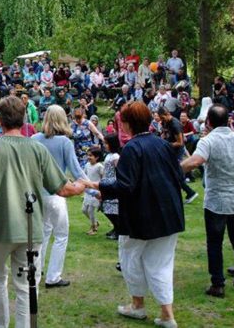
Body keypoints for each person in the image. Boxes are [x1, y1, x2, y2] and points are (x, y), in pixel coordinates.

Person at [0, 96, 85, 328]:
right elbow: (63, 189)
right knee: (25, 285)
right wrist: (83, 186)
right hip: (30, 227)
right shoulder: (37, 148)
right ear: (23, 119)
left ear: (0, 120)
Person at [85, 101, 185, 328]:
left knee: (130, 257)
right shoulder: (162, 144)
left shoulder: (132, 148)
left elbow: (125, 185)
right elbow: (178, 176)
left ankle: (137, 304)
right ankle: (167, 314)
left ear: (127, 123)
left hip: (142, 216)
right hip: (169, 213)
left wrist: (98, 186)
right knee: (161, 263)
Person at [181, 104, 234, 297]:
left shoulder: (208, 141)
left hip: (217, 200)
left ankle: (217, 284)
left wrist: (171, 169)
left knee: (215, 242)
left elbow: (195, 161)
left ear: (208, 122)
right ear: (229, 120)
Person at [31, 105, 88, 289]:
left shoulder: (33, 139)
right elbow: (76, 170)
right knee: (61, 234)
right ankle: (53, 276)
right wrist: (94, 188)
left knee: (42, 233)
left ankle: (37, 271)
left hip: (37, 195)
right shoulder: (64, 142)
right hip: (56, 194)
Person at [157, 107, 198, 204]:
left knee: (173, 173)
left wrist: (166, 144)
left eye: (162, 118)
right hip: (168, 150)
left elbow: (180, 142)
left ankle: (189, 192)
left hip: (176, 151)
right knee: (171, 173)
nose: (162, 120)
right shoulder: (165, 122)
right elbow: (164, 133)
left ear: (167, 114)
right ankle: (188, 192)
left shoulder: (175, 124)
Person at [83, 148, 103, 235]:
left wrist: (101, 190)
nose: (88, 157)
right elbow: (84, 175)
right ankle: (95, 222)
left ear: (97, 157)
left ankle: (94, 228)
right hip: (88, 191)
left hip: (96, 192)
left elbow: (103, 178)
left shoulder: (99, 166)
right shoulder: (87, 165)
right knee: (84, 210)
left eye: (90, 155)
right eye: (88, 155)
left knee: (91, 210)